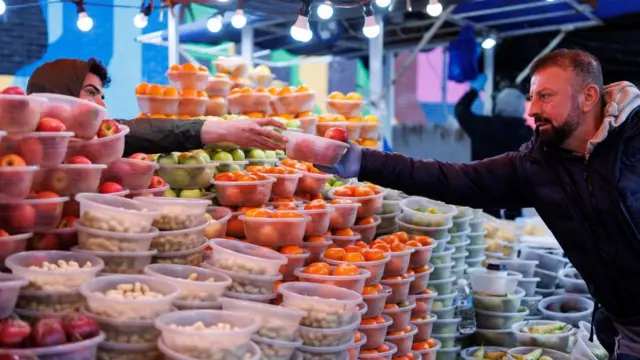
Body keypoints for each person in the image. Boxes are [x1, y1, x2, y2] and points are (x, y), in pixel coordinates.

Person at [320, 49, 640, 357]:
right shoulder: (539, 164)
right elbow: (454, 179)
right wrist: (360, 161)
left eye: (546, 96)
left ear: (588, 97)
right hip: (626, 332)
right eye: (532, 97)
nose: (532, 110)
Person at [26, 58, 286, 155]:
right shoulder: (18, 144)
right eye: (91, 92)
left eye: (102, 95)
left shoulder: (95, 143)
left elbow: (138, 131)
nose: (101, 103)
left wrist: (223, 130)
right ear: (59, 93)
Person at [455, 75, 534, 219]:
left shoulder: (481, 126)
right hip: (514, 195)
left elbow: (461, 110)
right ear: (522, 109)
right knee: (512, 228)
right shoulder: (528, 134)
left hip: (483, 190)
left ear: (498, 105)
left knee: (486, 228)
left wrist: (474, 90)